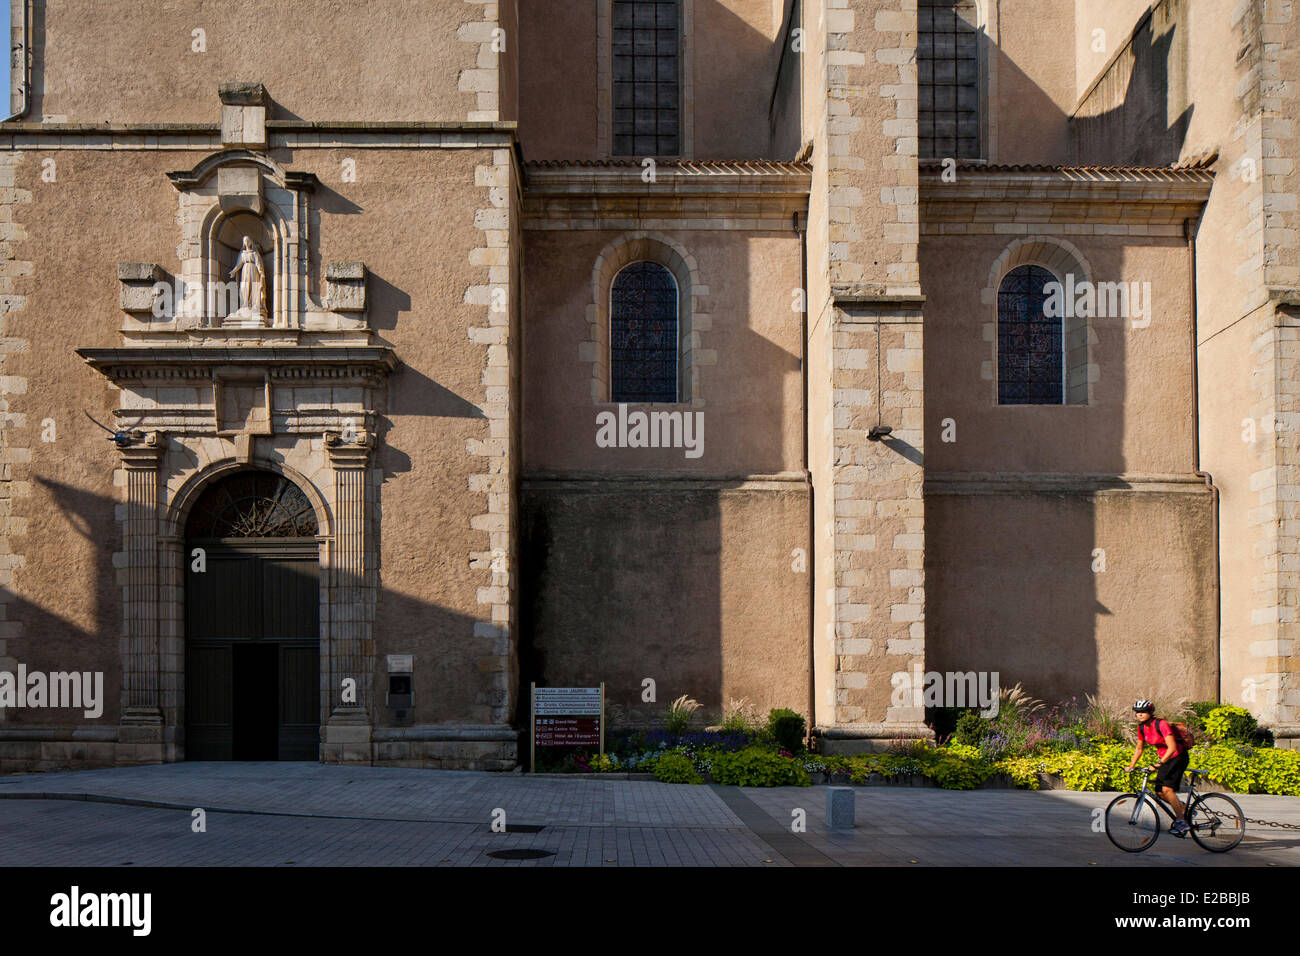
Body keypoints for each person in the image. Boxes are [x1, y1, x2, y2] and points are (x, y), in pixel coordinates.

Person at [1125, 699, 1190, 836]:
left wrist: (1158, 764)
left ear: (1150, 712)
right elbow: (1139, 748)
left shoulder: (1161, 724)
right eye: (1137, 712)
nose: (1140, 715)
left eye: (1143, 712)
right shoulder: (1141, 728)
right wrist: (1131, 766)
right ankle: (1182, 808)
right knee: (1159, 792)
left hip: (1177, 756)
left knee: (1167, 789)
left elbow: (1172, 748)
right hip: (1165, 759)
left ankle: (1181, 822)